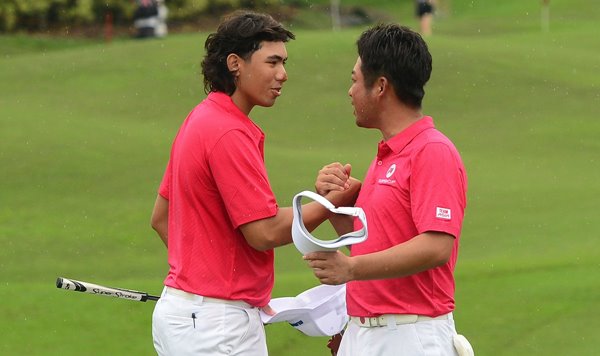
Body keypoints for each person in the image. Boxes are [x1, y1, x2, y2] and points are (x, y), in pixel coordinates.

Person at [150, 11, 359, 356]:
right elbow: (263, 233)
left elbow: (161, 218)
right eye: (272, 62)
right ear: (235, 63)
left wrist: (201, 283)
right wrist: (329, 202)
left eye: (284, 62)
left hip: (187, 314)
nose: (283, 75)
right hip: (218, 326)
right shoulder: (228, 131)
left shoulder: (201, 117)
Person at [305, 24, 469, 356]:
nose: (350, 91)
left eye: (354, 80)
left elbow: (437, 245)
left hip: (411, 335)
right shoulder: (387, 155)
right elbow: (371, 244)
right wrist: (339, 202)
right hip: (371, 331)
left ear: (380, 86)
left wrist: (350, 270)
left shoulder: (431, 150)